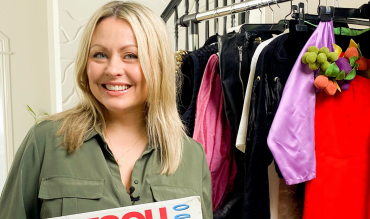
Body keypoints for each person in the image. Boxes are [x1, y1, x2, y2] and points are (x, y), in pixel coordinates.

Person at [0, 1, 212, 218]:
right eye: (100, 54)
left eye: (131, 55)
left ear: (157, 66)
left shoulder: (191, 156)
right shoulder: (45, 140)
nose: (112, 69)